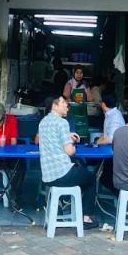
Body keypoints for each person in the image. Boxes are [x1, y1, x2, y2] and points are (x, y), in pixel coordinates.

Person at [36, 96, 99, 228]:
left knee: (80, 175)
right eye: (63, 103)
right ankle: (86, 218)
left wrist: (66, 136)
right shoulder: (62, 123)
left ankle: (62, 203)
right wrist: (73, 145)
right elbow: (70, 151)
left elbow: (50, 138)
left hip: (47, 177)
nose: (67, 106)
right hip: (62, 173)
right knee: (91, 179)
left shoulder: (43, 122)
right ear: (54, 106)